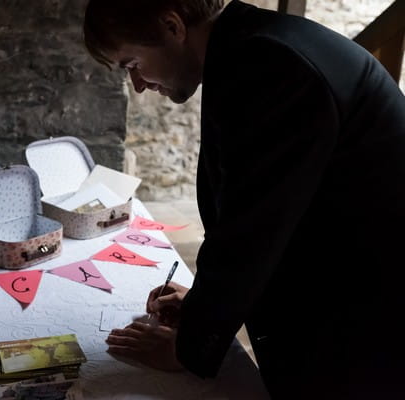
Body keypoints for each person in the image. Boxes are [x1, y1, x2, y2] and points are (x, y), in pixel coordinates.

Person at [83, 0, 405, 398]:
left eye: (132, 63)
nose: (138, 84)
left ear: (172, 26)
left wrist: (190, 345)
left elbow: (250, 232)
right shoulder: (247, 51)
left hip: (367, 320)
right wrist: (203, 304)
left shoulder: (271, 66)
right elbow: (248, 208)